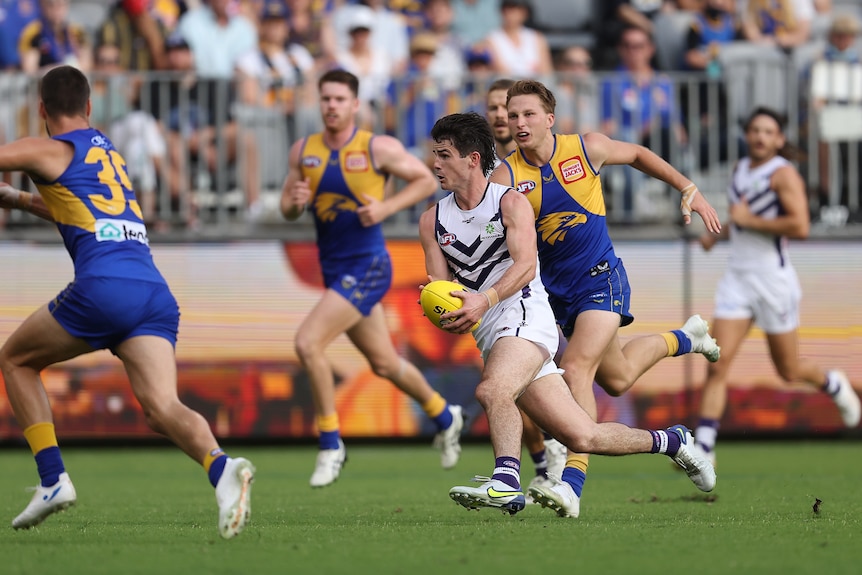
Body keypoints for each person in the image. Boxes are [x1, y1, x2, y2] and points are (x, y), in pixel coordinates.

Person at [0, 66, 254, 538]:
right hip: (153, 292)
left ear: (41, 110)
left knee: (14, 360)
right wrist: (16, 199)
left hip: (104, 287)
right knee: (161, 407)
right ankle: (223, 469)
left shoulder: (50, 147)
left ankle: (53, 479)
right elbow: (74, 211)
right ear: (90, 107)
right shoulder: (108, 151)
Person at [419, 111, 716, 515]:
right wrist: (448, 312)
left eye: (443, 154)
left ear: (472, 159)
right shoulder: (432, 221)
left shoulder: (509, 201)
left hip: (526, 316)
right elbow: (445, 294)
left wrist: (482, 300)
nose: (434, 163)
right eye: (434, 154)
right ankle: (673, 442)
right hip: (493, 335)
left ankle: (506, 480)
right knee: (583, 436)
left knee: (492, 390)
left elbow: (525, 266)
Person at [490, 79, 722, 518]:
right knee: (617, 378)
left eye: (528, 114)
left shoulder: (586, 148)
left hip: (602, 279)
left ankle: (571, 485)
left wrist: (686, 187)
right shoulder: (505, 176)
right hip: (555, 295)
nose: (518, 123)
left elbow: (636, 154)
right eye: (512, 115)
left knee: (575, 367)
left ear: (549, 119)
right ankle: (686, 341)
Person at [279, 69, 463, 488]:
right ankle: (444, 414)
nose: (331, 106)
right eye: (325, 98)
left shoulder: (376, 147)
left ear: (355, 105)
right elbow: (287, 209)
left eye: (340, 99)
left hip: (368, 266)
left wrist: (385, 208)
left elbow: (422, 179)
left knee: (307, 343)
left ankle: (330, 443)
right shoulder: (302, 152)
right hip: (336, 269)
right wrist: (293, 202)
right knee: (384, 364)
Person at [693, 107, 861, 465]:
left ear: (779, 139)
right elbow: (739, 221)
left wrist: (748, 220)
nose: (759, 137)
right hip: (737, 279)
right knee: (716, 363)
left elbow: (800, 226)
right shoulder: (739, 169)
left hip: (773, 282)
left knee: (788, 371)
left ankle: (833, 383)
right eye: (754, 130)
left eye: (768, 131)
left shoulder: (783, 174)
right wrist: (715, 237)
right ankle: (704, 448)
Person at [485, 77, 567, 497]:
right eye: (497, 109)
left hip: (550, 280)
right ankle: (544, 460)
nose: (505, 116)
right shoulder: (484, 168)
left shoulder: (541, 155)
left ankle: (563, 458)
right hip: (512, 290)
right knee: (511, 387)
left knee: (606, 373)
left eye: (512, 109)